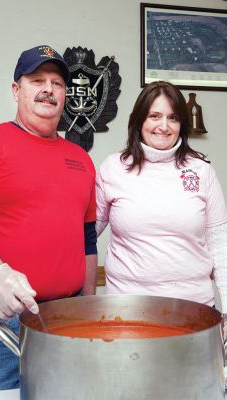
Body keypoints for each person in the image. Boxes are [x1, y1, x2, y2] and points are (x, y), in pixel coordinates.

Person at [0, 45, 97, 390]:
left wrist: (88, 309)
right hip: (2, 324)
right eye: (37, 80)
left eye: (57, 83)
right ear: (16, 89)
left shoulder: (81, 159)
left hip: (67, 321)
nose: (48, 89)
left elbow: (88, 240)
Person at [96, 81, 227, 334]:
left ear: (182, 124)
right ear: (139, 121)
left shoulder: (202, 170)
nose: (164, 126)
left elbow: (221, 245)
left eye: (173, 118)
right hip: (126, 313)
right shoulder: (113, 168)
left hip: (194, 312)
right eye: (154, 116)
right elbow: (86, 235)